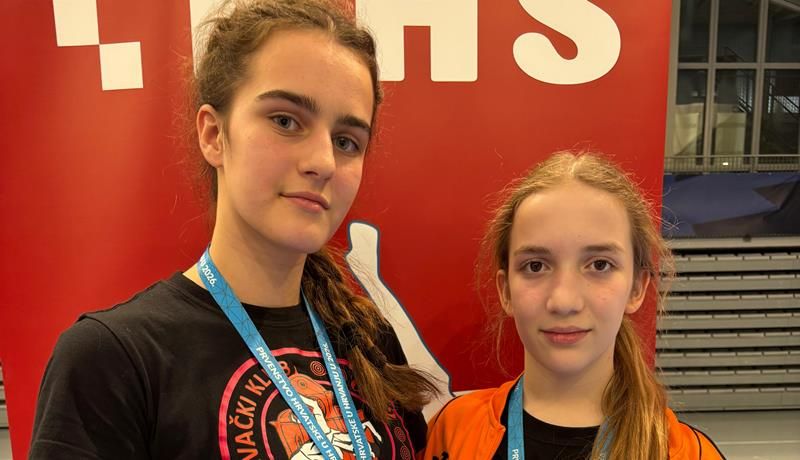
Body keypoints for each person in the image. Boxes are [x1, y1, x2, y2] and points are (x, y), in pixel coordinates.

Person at [30, 1, 437, 458]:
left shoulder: (370, 341)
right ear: (214, 135)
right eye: (286, 121)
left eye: (346, 141)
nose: (323, 162)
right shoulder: (114, 359)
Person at [422, 152, 724, 460]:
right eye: (536, 266)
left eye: (600, 264)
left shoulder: (689, 454)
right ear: (506, 290)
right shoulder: (452, 432)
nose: (564, 301)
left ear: (637, 288)